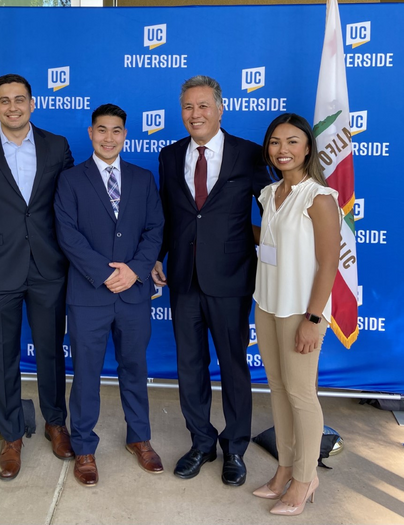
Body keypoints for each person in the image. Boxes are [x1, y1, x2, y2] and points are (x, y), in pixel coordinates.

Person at [152, 75, 270, 486]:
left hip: (232, 280)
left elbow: (272, 217)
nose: (195, 114)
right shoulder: (169, 157)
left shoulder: (250, 155)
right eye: (188, 107)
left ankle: (234, 447)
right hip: (184, 280)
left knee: (234, 366)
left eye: (203, 106)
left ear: (221, 109)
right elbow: (167, 217)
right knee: (190, 365)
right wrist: (157, 256)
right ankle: (201, 442)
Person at [0, 73, 74, 481]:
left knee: (50, 353)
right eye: (3, 101)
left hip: (48, 267)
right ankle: (10, 436)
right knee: (2, 356)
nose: (11, 107)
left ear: (32, 103)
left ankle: (55, 423)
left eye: (19, 99)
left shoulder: (57, 146)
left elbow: (71, 207)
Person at [54, 103, 165, 486]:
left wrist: (134, 270)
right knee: (86, 374)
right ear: (90, 133)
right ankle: (83, 445)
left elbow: (155, 229)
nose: (108, 137)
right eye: (101, 130)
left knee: (135, 368)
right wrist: (106, 274)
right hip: (89, 295)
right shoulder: (70, 180)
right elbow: (68, 235)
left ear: (125, 135)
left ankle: (140, 437)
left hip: (133, 293)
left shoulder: (142, 178)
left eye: (116, 130)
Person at [252, 113, 340, 515]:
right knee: (278, 388)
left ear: (307, 147)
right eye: (275, 142)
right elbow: (269, 243)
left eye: (291, 141)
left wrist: (314, 319)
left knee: (302, 394)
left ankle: (306, 479)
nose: (282, 150)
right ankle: (285, 468)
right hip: (266, 304)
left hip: (299, 312)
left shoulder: (318, 197)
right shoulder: (270, 194)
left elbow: (327, 265)